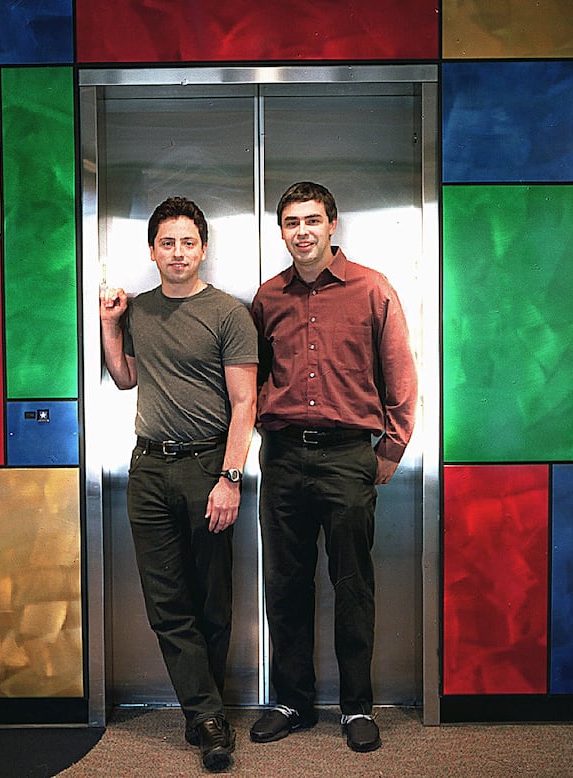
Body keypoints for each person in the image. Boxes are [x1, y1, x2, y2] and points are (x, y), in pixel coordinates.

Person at [249, 182, 418, 753]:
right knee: (285, 582)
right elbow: (255, 379)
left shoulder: (373, 289)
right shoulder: (268, 297)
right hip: (284, 457)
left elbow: (400, 378)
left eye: (313, 220)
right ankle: (292, 701)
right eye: (292, 222)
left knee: (353, 584)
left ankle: (356, 708)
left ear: (333, 225)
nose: (303, 231)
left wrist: (389, 451)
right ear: (282, 231)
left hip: (349, 456)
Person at [100, 196, 258, 772]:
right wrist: (110, 325)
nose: (177, 252)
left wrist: (230, 478)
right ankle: (208, 714)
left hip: (207, 467)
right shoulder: (139, 310)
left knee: (212, 599)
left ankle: (204, 711)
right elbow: (124, 379)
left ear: (203, 248)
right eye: (166, 242)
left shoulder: (228, 314)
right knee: (167, 601)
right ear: (152, 250)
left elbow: (245, 404)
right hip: (147, 469)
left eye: (187, 241)